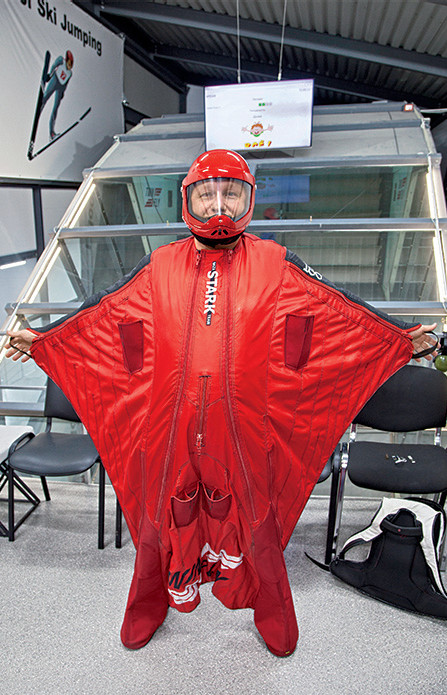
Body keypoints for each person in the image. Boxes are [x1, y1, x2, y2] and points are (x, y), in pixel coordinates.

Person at [6, 149, 437, 657]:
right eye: (207, 194)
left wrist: (398, 339)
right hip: (170, 433)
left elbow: (337, 309)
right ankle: (147, 607)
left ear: (247, 199)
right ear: (188, 200)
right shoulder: (160, 265)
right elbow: (104, 311)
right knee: (156, 523)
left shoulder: (275, 264)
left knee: (259, 527)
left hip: (246, 433)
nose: (219, 205)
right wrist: (46, 342)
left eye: (231, 194)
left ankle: (274, 616)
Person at [41, 50, 74, 140]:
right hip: (55, 80)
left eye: (71, 64)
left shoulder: (70, 73)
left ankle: (51, 133)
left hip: (60, 87)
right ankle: (38, 113)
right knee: (44, 99)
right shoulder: (61, 60)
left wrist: (63, 93)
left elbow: (66, 83)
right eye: (69, 63)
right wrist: (49, 75)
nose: (69, 66)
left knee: (55, 108)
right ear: (66, 60)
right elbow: (53, 66)